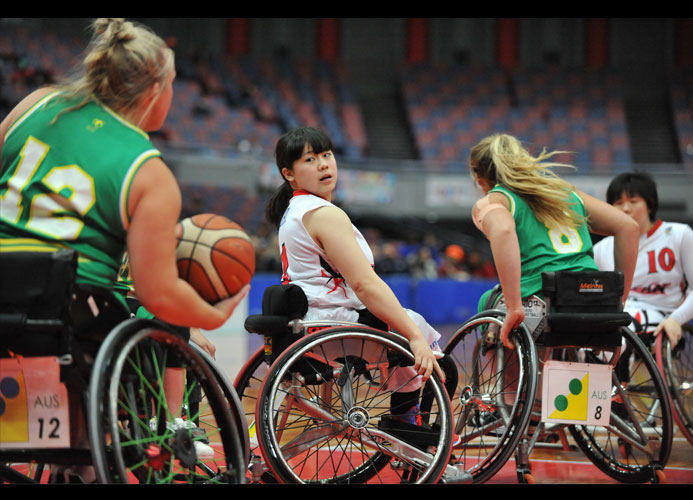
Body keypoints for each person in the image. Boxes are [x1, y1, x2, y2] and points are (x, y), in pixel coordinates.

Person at [0, 18, 247, 480]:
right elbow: (159, 296)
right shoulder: (146, 170)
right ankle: (105, 451)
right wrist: (214, 314)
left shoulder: (37, 104)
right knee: (141, 324)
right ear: (154, 90)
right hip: (66, 308)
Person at [264, 126, 449, 423]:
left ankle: (409, 428)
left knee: (406, 326)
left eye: (326, 155)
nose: (324, 164)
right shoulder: (323, 214)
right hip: (332, 326)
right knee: (429, 349)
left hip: (311, 322)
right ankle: (413, 435)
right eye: (310, 160)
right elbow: (364, 285)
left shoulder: (294, 211)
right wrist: (413, 336)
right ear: (289, 174)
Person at [468, 134, 639, 349]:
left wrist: (514, 306)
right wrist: (619, 301)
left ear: (480, 178)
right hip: (596, 297)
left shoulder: (493, 200)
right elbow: (629, 227)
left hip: (546, 300)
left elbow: (503, 230)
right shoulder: (565, 193)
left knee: (489, 300)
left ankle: (505, 383)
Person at [593, 172, 693, 348]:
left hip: (662, 314)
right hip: (619, 314)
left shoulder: (679, 235)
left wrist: (676, 319)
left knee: (618, 337)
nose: (625, 208)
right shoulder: (601, 248)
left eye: (633, 201)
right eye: (618, 203)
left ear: (649, 206)